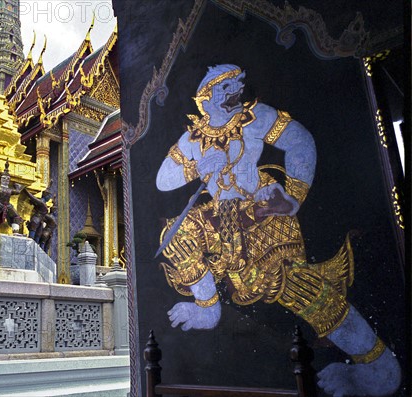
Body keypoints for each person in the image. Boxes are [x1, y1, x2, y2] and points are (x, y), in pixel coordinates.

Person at [156, 64, 401, 396]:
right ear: (208, 95)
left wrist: (294, 197)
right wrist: (197, 167)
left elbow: (300, 142)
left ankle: (378, 367)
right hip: (220, 217)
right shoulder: (194, 137)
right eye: (228, 86)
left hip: (262, 209)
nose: (237, 90)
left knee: (293, 287)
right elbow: (162, 179)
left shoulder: (255, 119)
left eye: (239, 85)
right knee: (177, 235)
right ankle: (207, 306)